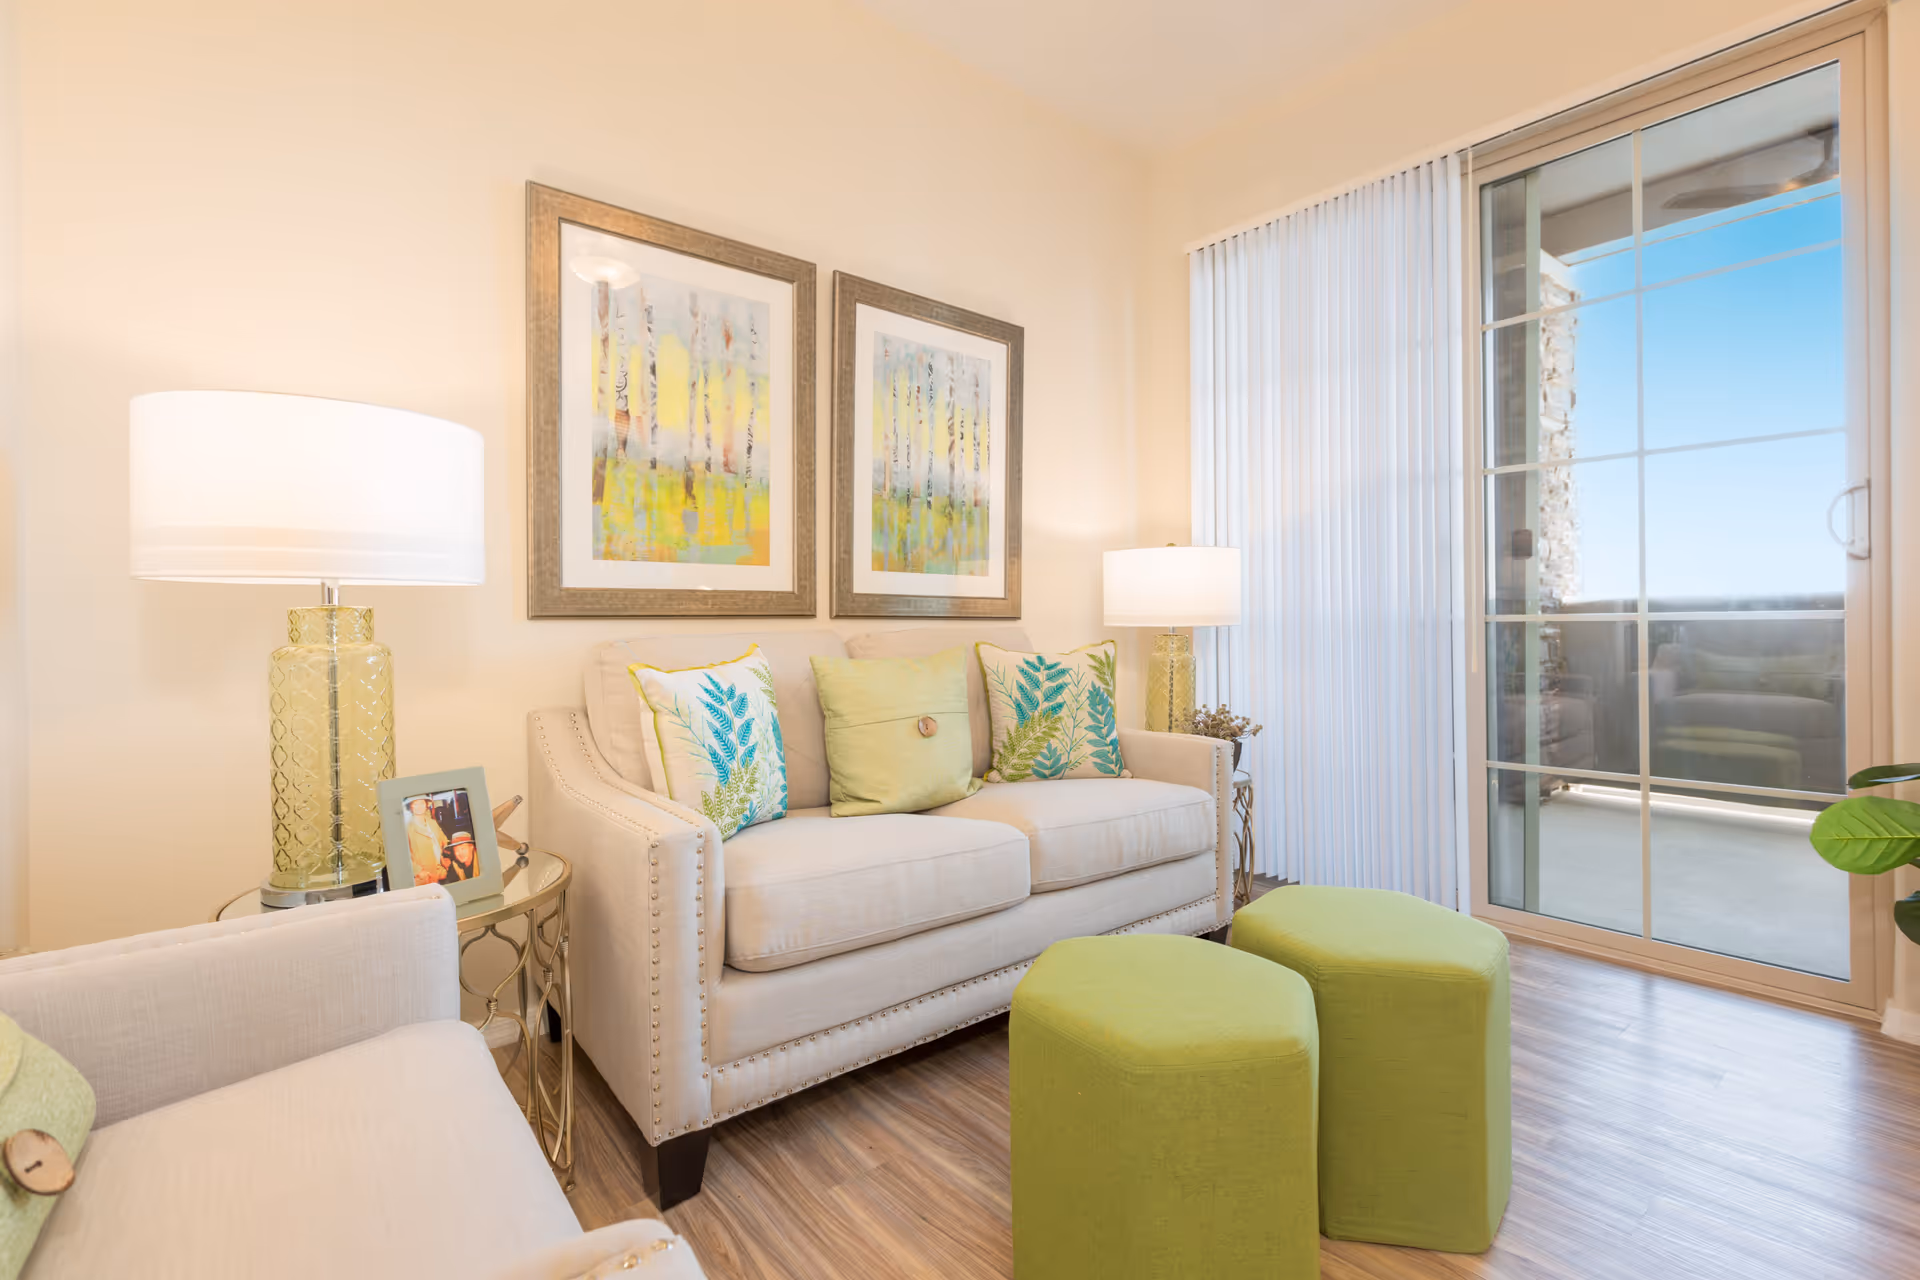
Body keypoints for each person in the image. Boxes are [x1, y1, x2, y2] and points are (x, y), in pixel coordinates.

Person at [404, 796, 450, 887]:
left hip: (440, 872)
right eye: (415, 804)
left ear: (426, 805)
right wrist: (418, 871)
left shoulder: (432, 823)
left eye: (421, 803)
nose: (419, 806)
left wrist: (447, 857)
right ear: (411, 807)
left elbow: (444, 841)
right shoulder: (407, 827)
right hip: (423, 877)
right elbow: (403, 854)